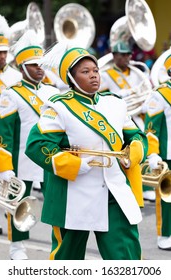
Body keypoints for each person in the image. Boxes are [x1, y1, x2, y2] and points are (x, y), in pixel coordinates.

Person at [25, 47, 148, 260]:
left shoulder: (115, 103)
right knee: (67, 260)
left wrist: (133, 153)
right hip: (73, 196)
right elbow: (37, 144)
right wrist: (71, 164)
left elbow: (137, 136)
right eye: (85, 71)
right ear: (72, 77)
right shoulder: (58, 107)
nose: (93, 75)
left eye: (96, 70)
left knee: (126, 257)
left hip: (114, 192)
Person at [0, 29, 60, 259]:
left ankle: (59, 246)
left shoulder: (53, 93)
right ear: (23, 67)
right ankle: (16, 247)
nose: (40, 68)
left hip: (49, 157)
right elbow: (3, 135)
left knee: (56, 204)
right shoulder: (11, 95)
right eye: (34, 65)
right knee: (17, 204)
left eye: (41, 64)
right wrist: (4, 166)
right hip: (21, 159)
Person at [99, 40, 155, 202]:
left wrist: (145, 103)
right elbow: (99, 98)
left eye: (127, 54)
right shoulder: (106, 74)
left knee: (141, 149)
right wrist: (117, 96)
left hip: (137, 116)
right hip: (117, 119)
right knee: (125, 153)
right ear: (114, 56)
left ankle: (144, 185)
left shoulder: (138, 73)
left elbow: (145, 92)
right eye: (121, 55)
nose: (125, 58)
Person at [0, 14, 22, 235]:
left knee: (7, 175)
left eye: (4, 52)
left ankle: (7, 211)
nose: (2, 56)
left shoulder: (16, 76)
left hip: (10, 130)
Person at [144, 53, 171, 250]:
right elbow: (151, 129)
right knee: (167, 197)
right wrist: (153, 153)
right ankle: (165, 234)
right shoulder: (159, 94)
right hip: (168, 155)